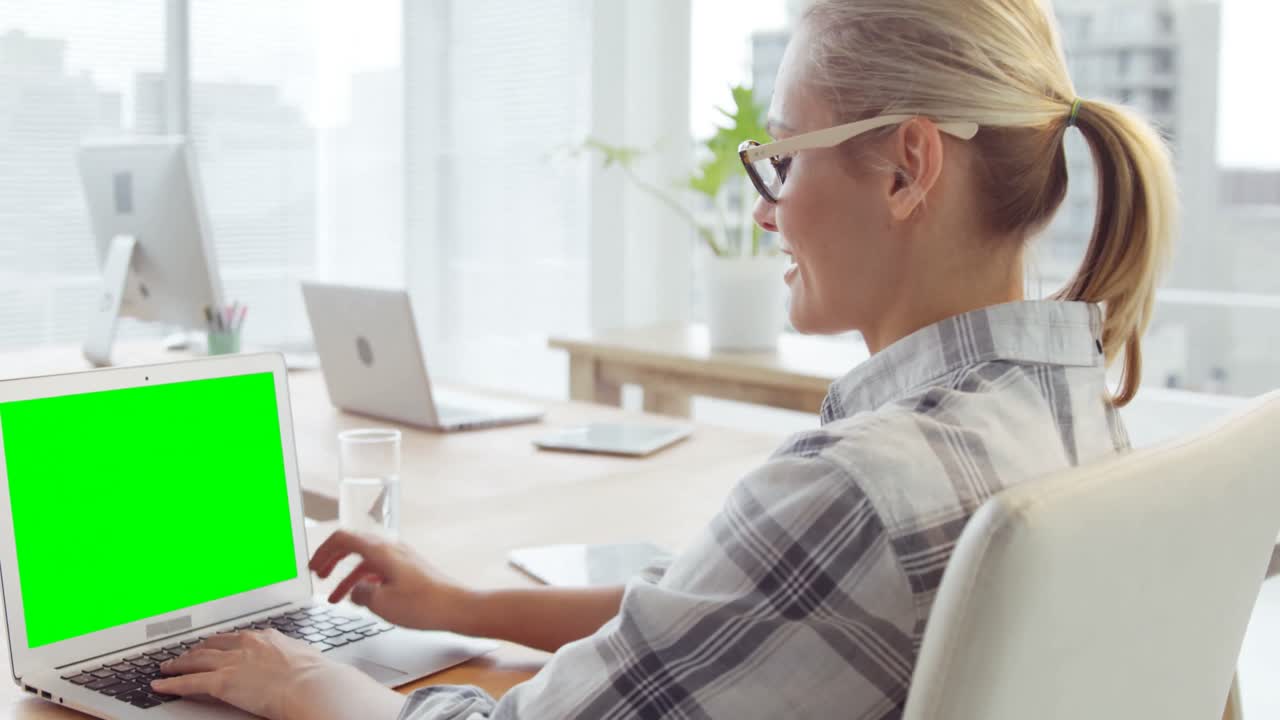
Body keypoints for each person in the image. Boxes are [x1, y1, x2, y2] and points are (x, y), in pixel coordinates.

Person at [150, 0, 1176, 717]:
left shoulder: (859, 487)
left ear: (908, 167)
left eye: (780, 157)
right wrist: (463, 609)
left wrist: (306, 684)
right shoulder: (1070, 407)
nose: (765, 210)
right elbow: (736, 612)